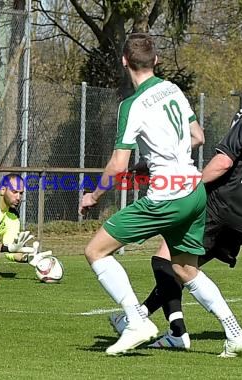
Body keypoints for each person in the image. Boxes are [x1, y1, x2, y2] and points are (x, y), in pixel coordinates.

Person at [111, 60, 242, 357]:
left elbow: (224, 162)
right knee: (183, 267)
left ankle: (193, 331)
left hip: (218, 204)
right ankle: (142, 319)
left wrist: (193, 184)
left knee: (166, 261)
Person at [79, 32, 208, 356]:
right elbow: (198, 136)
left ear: (124, 62)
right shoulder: (173, 89)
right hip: (194, 188)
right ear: (156, 61)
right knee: (184, 268)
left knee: (96, 251)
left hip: (166, 195)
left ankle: (137, 320)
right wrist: (163, 157)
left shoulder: (132, 105)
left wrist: (95, 196)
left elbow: (117, 164)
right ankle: (232, 334)